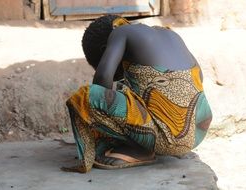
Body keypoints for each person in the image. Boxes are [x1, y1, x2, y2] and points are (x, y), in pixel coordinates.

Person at [63, 15, 212, 173]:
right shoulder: (171, 34)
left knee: (86, 97)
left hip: (169, 138)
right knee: (128, 89)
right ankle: (156, 142)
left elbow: (102, 77)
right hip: (198, 131)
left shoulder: (121, 33)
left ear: (104, 50)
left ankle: (139, 150)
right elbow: (199, 77)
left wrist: (100, 120)